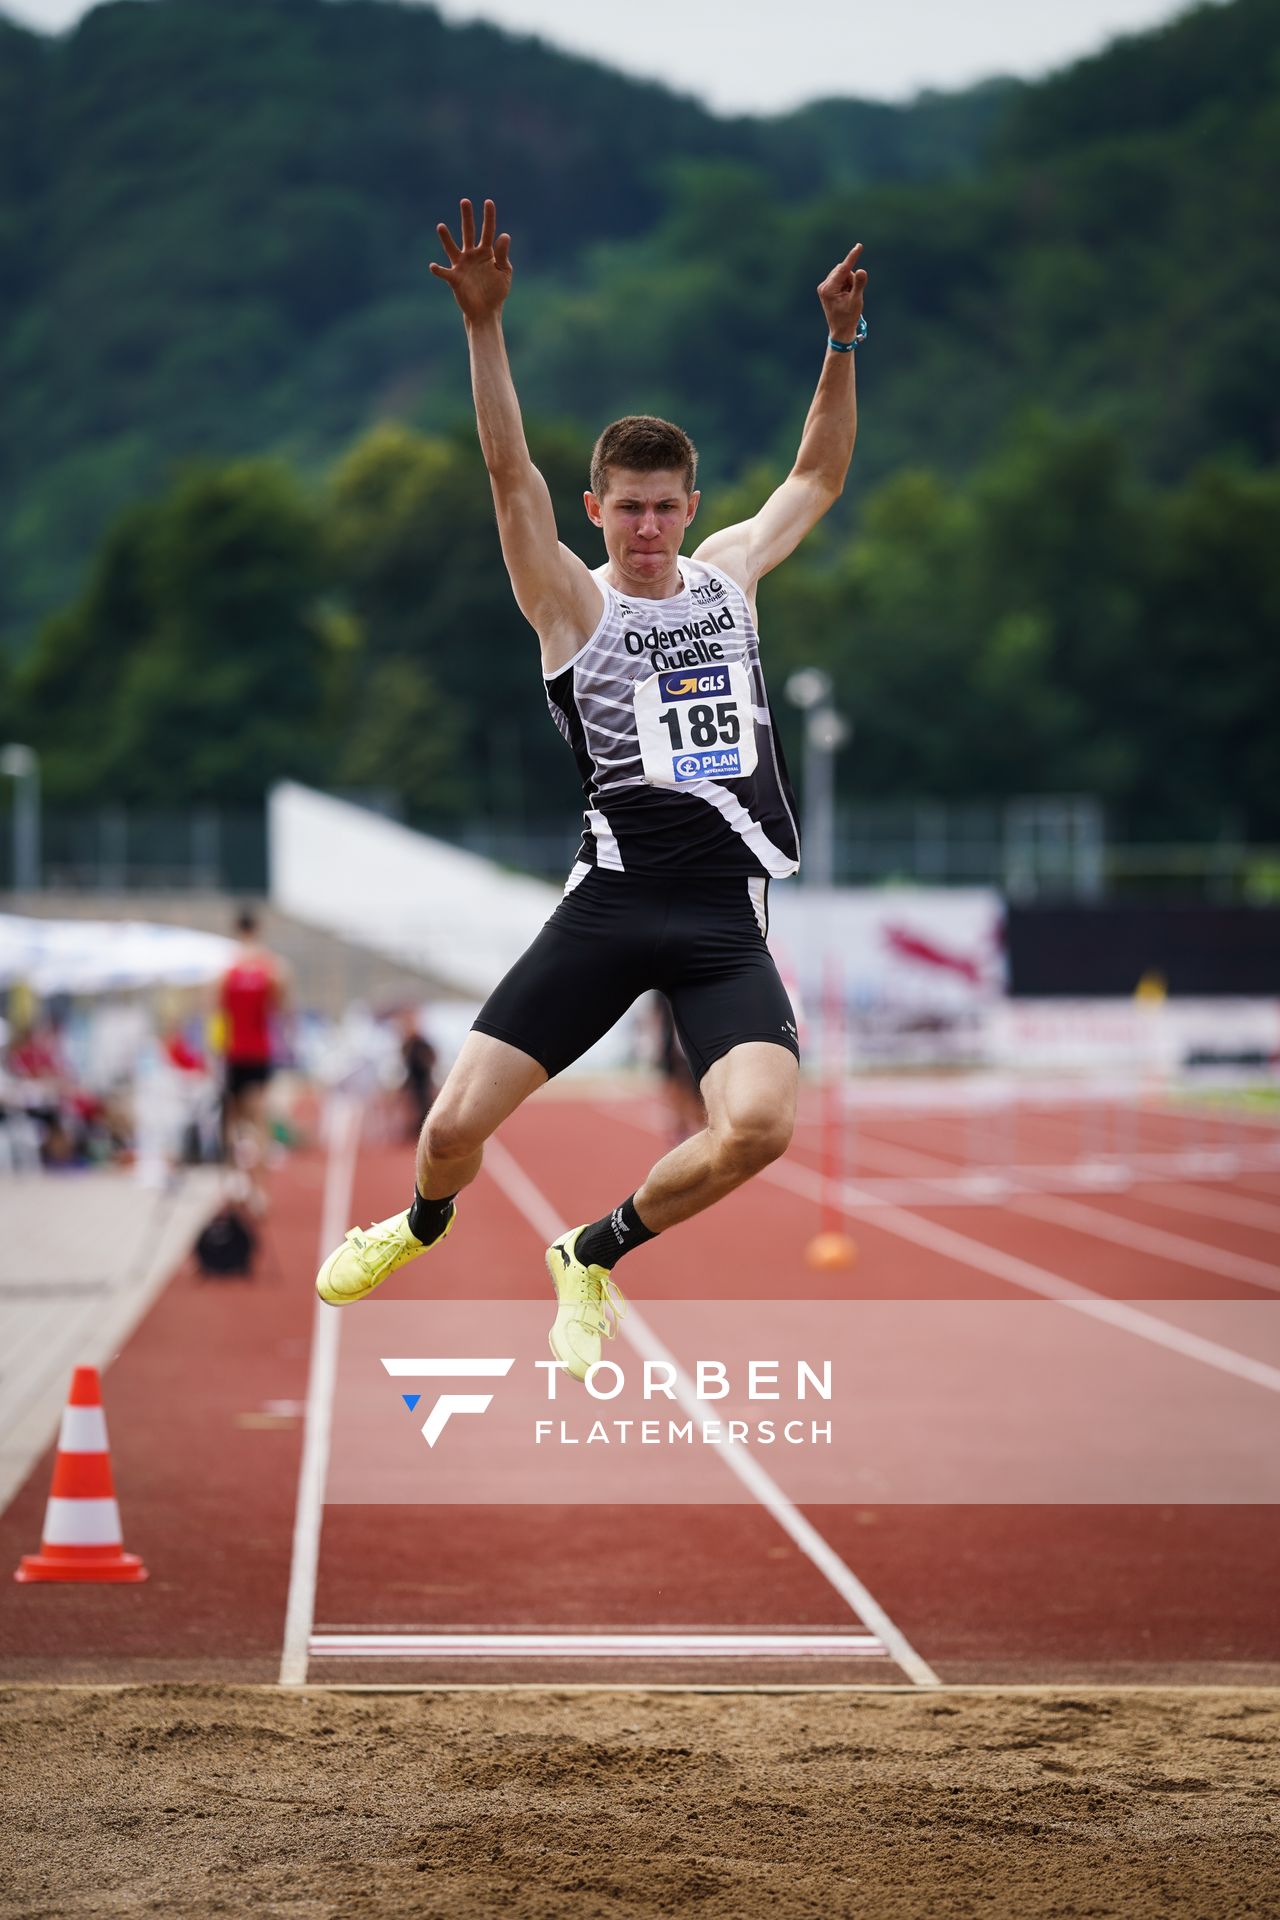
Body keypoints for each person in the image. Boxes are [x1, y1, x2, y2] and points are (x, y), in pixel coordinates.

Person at [316, 197, 867, 1381]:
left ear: (691, 505)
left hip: (722, 917)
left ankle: (592, 1248)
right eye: (628, 509)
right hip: (611, 907)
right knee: (454, 1128)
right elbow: (506, 467)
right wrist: (483, 327)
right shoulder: (573, 604)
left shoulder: (728, 580)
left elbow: (815, 476)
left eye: (668, 506)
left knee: (759, 1129)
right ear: (595, 512)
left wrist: (838, 342)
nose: (652, 528)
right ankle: (415, 1223)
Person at [218, 908, 287, 1207]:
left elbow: (216, 1015)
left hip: (234, 1052)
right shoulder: (272, 968)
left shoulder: (225, 969)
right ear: (257, 929)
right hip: (259, 1051)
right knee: (259, 1120)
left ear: (236, 930)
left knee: (231, 1120)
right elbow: (280, 1009)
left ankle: (236, 1182)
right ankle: (259, 1190)